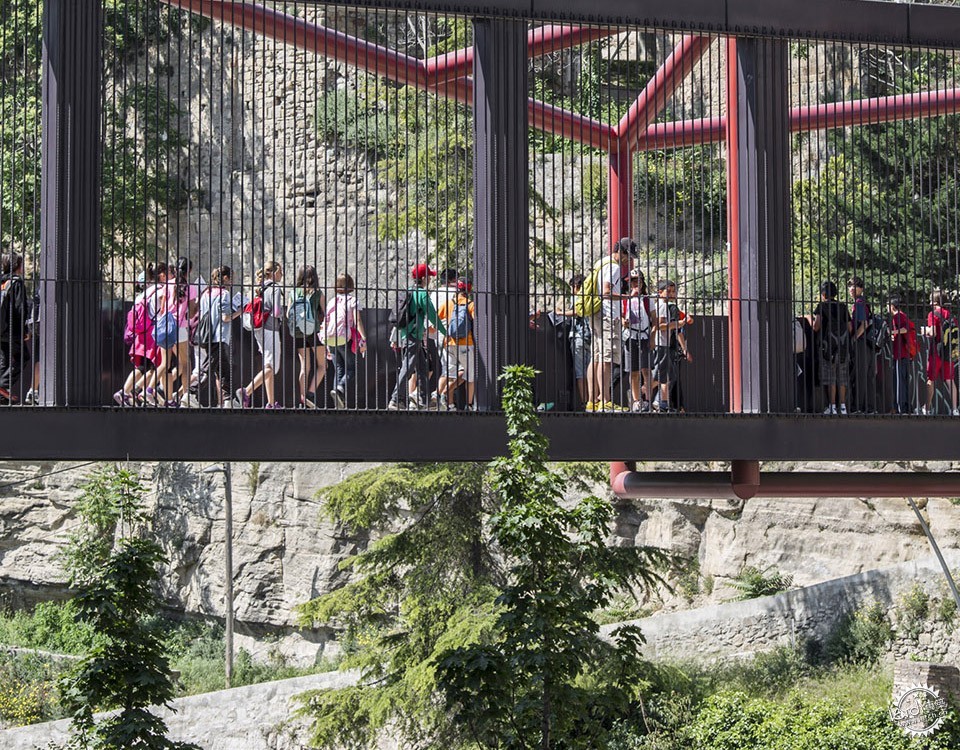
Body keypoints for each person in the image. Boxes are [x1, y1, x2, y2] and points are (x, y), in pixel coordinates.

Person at [587, 237, 637, 412]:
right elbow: (606, 292)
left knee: (596, 356)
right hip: (608, 315)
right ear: (622, 252)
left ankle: (592, 401)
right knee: (607, 358)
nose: (628, 260)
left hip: (596, 314)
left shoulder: (602, 263)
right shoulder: (614, 267)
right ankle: (605, 401)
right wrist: (627, 297)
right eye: (628, 256)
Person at [387, 263, 445, 410]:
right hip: (414, 335)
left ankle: (423, 400)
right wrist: (445, 332)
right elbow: (432, 315)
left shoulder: (409, 292)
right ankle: (395, 399)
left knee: (423, 367)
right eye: (429, 277)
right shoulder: (422, 294)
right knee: (407, 368)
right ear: (424, 278)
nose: (430, 279)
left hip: (408, 334)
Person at [236, 260, 284, 409]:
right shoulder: (275, 287)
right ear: (275, 272)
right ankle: (246, 391)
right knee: (272, 367)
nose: (281, 275)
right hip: (271, 329)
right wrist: (282, 313)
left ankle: (270, 403)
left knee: (267, 365)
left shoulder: (259, 288)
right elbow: (276, 312)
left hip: (258, 329)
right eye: (281, 272)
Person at [116, 266, 160, 406]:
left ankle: (135, 391)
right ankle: (127, 392)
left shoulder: (141, 296)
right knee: (153, 366)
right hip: (153, 333)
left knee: (149, 366)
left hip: (141, 334)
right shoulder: (159, 291)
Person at [199, 266, 242, 407]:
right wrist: (240, 311)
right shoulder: (224, 294)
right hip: (219, 337)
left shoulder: (206, 293)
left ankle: (228, 400)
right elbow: (225, 317)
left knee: (223, 371)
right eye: (231, 278)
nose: (232, 281)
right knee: (207, 369)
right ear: (225, 278)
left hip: (207, 335)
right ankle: (191, 392)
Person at [323, 273, 366, 409]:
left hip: (330, 337)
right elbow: (357, 320)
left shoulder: (332, 301)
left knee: (339, 368)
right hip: (344, 337)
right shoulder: (352, 300)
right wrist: (363, 337)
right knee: (351, 368)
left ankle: (338, 401)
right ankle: (340, 387)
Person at [650, 279, 692, 413]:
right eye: (668, 291)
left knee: (669, 375)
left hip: (664, 343)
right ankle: (644, 391)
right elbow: (660, 326)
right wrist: (680, 323)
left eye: (673, 291)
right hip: (661, 344)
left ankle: (662, 402)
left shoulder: (665, 305)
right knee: (661, 375)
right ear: (660, 292)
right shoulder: (662, 306)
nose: (672, 294)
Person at [811, 280, 852, 415]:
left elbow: (816, 326)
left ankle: (832, 407)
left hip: (827, 348)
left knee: (830, 377)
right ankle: (843, 407)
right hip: (843, 347)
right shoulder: (843, 307)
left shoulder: (822, 307)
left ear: (823, 294)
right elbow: (850, 328)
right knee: (842, 377)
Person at [288, 266, 325, 408]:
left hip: (297, 332)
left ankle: (302, 399)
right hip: (312, 331)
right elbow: (325, 314)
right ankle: (310, 394)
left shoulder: (293, 292)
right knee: (322, 365)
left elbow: (287, 315)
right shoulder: (318, 293)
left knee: (304, 366)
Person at [437, 279, 476, 410]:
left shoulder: (448, 303)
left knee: (448, 373)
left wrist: (446, 332)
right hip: (466, 343)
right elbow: (477, 320)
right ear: (468, 290)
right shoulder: (470, 304)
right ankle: (469, 405)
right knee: (470, 375)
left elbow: (436, 319)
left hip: (449, 343)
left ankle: (439, 397)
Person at [554, 273, 591, 408]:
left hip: (578, 336)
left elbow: (577, 311)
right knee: (590, 371)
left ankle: (584, 402)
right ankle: (592, 401)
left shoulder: (578, 298)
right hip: (590, 337)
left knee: (580, 372)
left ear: (576, 286)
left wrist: (559, 313)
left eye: (572, 287)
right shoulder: (590, 297)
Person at [922, 289, 959, 416]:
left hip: (936, 351)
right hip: (948, 352)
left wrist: (925, 331)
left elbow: (933, 333)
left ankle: (926, 408)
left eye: (931, 300)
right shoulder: (951, 316)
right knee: (950, 380)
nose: (930, 302)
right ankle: (955, 409)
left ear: (935, 301)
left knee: (930, 379)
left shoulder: (933, 314)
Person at [622, 268, 652, 412]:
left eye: (638, 281)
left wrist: (652, 336)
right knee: (633, 371)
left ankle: (649, 399)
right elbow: (621, 317)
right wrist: (624, 322)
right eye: (632, 281)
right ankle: (636, 400)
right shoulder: (624, 299)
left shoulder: (647, 299)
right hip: (630, 336)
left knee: (646, 370)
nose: (635, 284)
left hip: (645, 336)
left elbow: (654, 319)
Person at [0, 252, 28, 405]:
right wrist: (25, 330)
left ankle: (2, 395)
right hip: (12, 329)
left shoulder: (2, 282)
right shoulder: (16, 283)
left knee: (4, 359)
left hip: (1, 329)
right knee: (24, 357)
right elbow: (20, 308)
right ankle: (3, 386)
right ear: (17, 265)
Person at [848, 276, 877, 414]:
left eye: (855, 286)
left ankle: (858, 407)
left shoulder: (859, 303)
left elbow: (864, 324)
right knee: (868, 376)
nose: (852, 289)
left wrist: (854, 338)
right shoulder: (864, 303)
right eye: (850, 286)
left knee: (860, 375)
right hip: (869, 344)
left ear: (861, 288)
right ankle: (869, 407)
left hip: (861, 343)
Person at [888, 295, 914, 415]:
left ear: (892, 306)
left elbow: (906, 328)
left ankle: (900, 408)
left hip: (901, 354)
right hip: (904, 353)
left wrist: (893, 332)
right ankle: (905, 407)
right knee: (903, 381)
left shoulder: (898, 316)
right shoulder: (902, 315)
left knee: (899, 382)